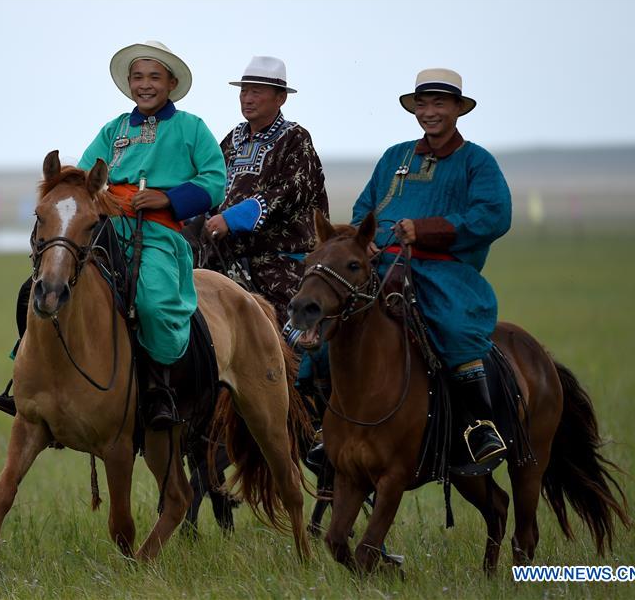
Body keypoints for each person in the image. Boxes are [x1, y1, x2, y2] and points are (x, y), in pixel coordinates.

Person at [0, 41, 225, 430]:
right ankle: (27, 380)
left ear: (171, 82)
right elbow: (83, 180)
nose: (145, 85)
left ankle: (159, 390)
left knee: (150, 301)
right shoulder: (113, 129)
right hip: (104, 234)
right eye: (137, 77)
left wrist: (167, 197)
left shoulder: (191, 128)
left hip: (158, 236)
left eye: (154, 77)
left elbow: (215, 181)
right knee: (41, 288)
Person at [351, 68, 512, 464]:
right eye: (422, 104)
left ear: (458, 108)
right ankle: (325, 423)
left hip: (443, 270)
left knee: (456, 326)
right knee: (334, 316)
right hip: (383, 265)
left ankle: (479, 426)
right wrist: (363, 237)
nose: (429, 112)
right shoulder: (395, 156)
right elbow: (364, 208)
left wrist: (424, 230)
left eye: (439, 103)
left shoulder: (476, 162)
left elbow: (494, 215)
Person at [193, 56, 328, 329]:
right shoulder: (234, 138)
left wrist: (232, 219)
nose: (247, 98)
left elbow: (292, 191)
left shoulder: (295, 138)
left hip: (278, 264)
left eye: (257, 91)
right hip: (225, 260)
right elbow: (214, 181)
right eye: (244, 91)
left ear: (280, 98)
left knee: (285, 343)